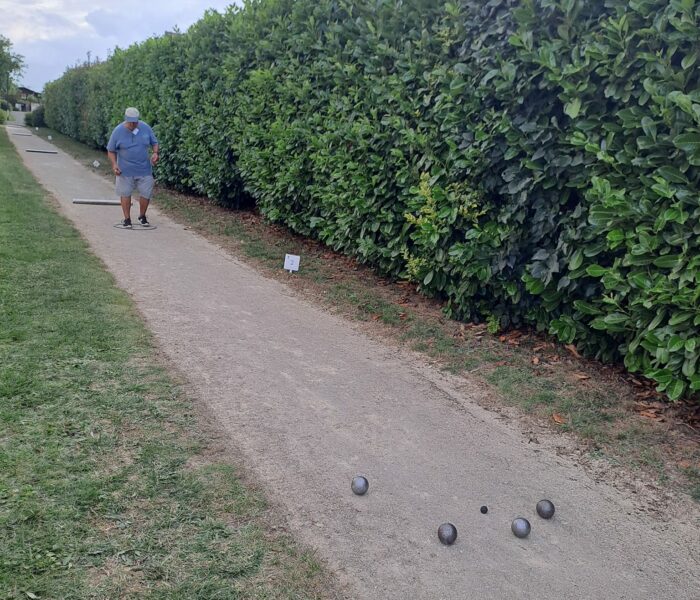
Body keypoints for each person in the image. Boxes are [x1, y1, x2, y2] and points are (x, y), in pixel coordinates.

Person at [107, 107, 159, 228]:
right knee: (125, 193)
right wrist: (114, 164)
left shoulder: (145, 128)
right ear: (126, 119)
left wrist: (155, 153)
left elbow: (154, 142)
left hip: (144, 169)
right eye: (130, 122)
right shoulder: (118, 131)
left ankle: (142, 216)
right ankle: (127, 218)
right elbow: (111, 150)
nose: (133, 124)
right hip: (125, 170)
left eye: (135, 122)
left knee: (146, 192)